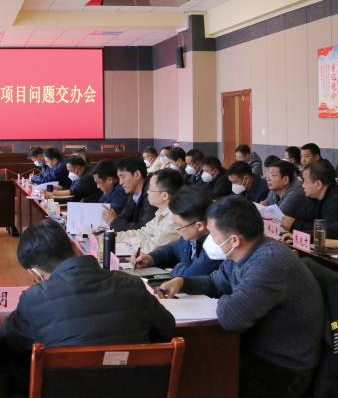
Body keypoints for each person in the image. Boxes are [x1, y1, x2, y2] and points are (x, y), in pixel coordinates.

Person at [159, 196, 324, 398]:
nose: (210, 240)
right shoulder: (242, 253)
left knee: (198, 380)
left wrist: (228, 298)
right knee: (192, 368)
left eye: (213, 234)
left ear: (234, 240)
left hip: (281, 367)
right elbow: (215, 282)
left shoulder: (270, 262)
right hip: (251, 350)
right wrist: (183, 283)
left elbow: (232, 318)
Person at [0, 218, 175, 352]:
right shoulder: (133, 284)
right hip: (137, 384)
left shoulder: (34, 299)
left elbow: (9, 339)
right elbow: (167, 328)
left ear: (34, 273)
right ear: (75, 247)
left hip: (66, 385)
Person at [135, 186, 222, 277]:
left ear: (199, 226)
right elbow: (172, 250)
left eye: (179, 226)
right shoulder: (193, 235)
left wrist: (177, 267)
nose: (177, 230)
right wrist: (150, 258)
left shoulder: (216, 246)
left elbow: (190, 274)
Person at [114, 168, 184, 253]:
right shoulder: (161, 213)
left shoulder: (175, 220)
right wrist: (113, 236)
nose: (147, 192)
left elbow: (149, 248)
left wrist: (129, 241)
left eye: (150, 188)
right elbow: (142, 233)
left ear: (164, 195)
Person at [291, 160, 338, 232]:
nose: (303, 185)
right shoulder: (313, 197)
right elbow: (299, 217)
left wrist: (294, 225)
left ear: (318, 184)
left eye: (305, 181)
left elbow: (327, 231)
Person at [101, 157, 155, 232]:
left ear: (137, 175)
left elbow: (144, 229)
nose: (120, 183)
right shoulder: (133, 194)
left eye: (123, 177)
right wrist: (112, 219)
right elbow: (124, 217)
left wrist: (114, 221)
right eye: (119, 178)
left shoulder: (152, 194)